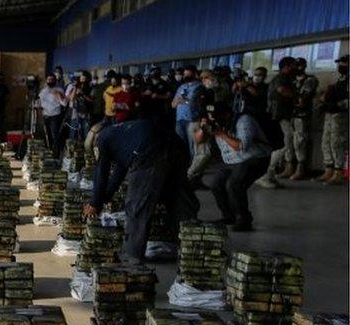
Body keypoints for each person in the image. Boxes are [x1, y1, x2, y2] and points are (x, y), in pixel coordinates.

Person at [84, 119, 196, 262]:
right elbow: (118, 173)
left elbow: (101, 172)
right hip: (177, 148)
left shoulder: (103, 139)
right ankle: (191, 246)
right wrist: (104, 198)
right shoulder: (122, 134)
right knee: (179, 199)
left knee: (137, 207)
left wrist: (94, 203)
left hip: (150, 154)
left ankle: (133, 257)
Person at [197, 101, 273, 231]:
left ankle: (243, 219)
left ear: (227, 115)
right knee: (216, 184)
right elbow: (198, 140)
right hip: (232, 161)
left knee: (234, 184)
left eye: (217, 117)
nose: (214, 120)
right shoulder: (214, 122)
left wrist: (221, 133)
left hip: (255, 158)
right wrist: (203, 128)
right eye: (211, 117)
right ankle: (228, 216)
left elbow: (241, 147)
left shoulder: (244, 121)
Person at [257, 56, 297, 188]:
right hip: (279, 116)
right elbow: (282, 90)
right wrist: (296, 96)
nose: (295, 68)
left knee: (280, 146)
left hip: (279, 116)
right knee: (284, 145)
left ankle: (270, 176)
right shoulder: (281, 78)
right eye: (293, 65)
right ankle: (265, 175)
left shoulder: (282, 78)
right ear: (286, 66)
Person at [319, 55, 349, 184]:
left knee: (337, 143)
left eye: (343, 63)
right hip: (331, 114)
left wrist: (338, 104)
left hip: (341, 115)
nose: (340, 66)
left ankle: (338, 171)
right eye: (340, 63)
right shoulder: (340, 79)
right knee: (326, 141)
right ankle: (328, 169)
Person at [290, 57, 318, 180]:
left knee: (300, 142)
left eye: (299, 65)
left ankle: (300, 168)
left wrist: (294, 99)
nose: (297, 68)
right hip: (290, 115)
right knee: (289, 142)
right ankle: (288, 166)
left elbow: (302, 99)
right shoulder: (291, 80)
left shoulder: (310, 80)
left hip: (302, 115)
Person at [172, 65, 201, 154]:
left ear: (194, 74)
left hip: (192, 120)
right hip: (180, 119)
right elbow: (173, 104)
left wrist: (185, 101)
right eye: (185, 74)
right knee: (180, 144)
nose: (186, 76)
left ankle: (192, 164)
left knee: (192, 146)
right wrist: (177, 102)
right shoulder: (181, 87)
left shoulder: (199, 87)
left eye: (188, 74)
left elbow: (197, 103)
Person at [38, 73, 67, 157]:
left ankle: (55, 154)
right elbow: (39, 103)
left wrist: (57, 94)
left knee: (55, 135)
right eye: (48, 80)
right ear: (46, 81)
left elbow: (64, 103)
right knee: (46, 135)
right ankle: (48, 152)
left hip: (55, 115)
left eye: (52, 80)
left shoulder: (59, 90)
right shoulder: (43, 91)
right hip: (46, 115)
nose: (50, 81)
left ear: (55, 80)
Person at [66, 71, 93, 142]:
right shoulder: (74, 87)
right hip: (75, 113)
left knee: (86, 133)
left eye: (84, 76)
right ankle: (72, 149)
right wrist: (75, 87)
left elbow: (91, 100)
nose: (82, 77)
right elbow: (71, 98)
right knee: (73, 133)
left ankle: (85, 150)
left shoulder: (90, 88)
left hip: (86, 114)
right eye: (81, 76)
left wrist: (82, 94)